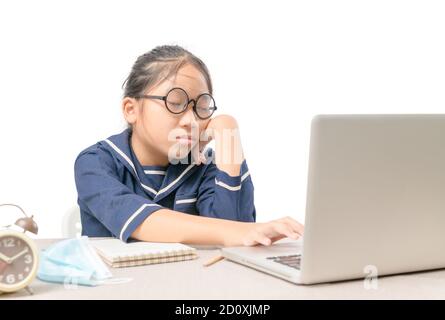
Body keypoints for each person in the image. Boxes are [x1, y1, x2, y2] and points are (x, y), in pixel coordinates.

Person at [74, 45, 303, 246]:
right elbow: (144, 221)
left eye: (202, 108)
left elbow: (234, 239)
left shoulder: (206, 166)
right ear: (131, 109)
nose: (191, 121)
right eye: (175, 103)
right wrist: (240, 233)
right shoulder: (95, 163)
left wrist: (228, 137)